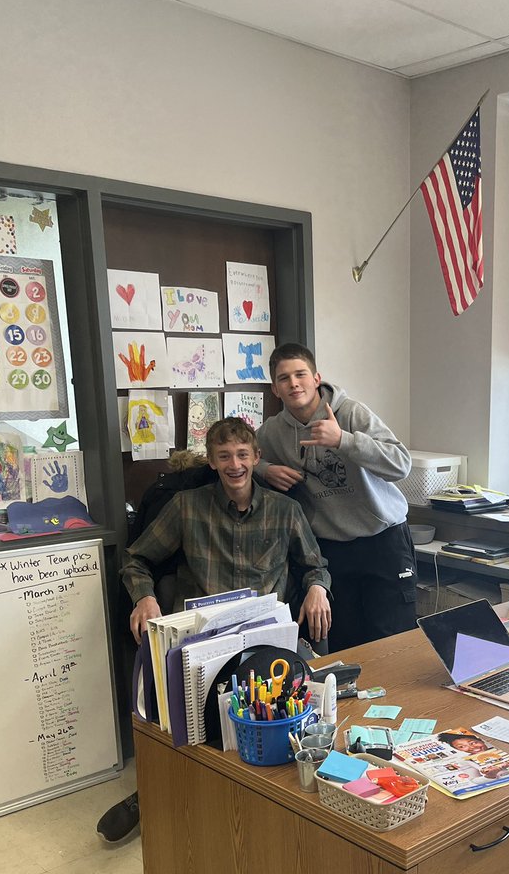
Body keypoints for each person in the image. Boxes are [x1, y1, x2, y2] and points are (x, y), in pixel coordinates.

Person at [97, 419, 331, 843]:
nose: (234, 465)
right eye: (224, 456)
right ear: (211, 461)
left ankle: (269, 802)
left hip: (263, 644)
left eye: (242, 455)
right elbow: (136, 559)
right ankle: (153, 791)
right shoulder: (187, 507)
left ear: (256, 458)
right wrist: (144, 597)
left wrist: (317, 588)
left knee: (275, 717)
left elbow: (315, 565)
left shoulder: (284, 510)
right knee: (188, 724)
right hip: (202, 644)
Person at [256, 342, 416, 652]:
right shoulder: (273, 432)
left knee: (393, 645)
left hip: (383, 542)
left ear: (316, 379)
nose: (294, 383)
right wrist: (265, 469)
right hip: (332, 551)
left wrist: (343, 439)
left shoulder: (350, 412)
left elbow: (401, 464)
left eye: (301, 374)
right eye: (284, 378)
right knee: (346, 646)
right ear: (275, 389)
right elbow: (242, 457)